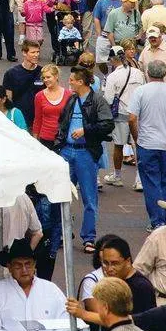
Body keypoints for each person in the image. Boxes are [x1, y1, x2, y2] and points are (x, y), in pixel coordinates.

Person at [54, 66, 115, 252]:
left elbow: (107, 124)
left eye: (72, 79)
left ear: (81, 82)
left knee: (89, 197)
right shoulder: (72, 99)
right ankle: (61, 234)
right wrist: (60, 143)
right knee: (61, 195)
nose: (69, 81)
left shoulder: (97, 100)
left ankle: (89, 238)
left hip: (85, 153)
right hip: (67, 150)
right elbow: (63, 122)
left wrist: (85, 130)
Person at [0, 238, 68, 331]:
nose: (24, 270)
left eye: (28, 264)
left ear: (34, 264)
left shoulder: (51, 289)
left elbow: (66, 321)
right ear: (9, 267)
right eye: (18, 266)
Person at [129, 62, 166, 230]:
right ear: (165, 73)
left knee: (151, 183)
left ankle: (157, 221)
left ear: (148, 73)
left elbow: (131, 118)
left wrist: (137, 137)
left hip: (147, 142)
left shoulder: (141, 91)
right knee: (165, 180)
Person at [103, 44, 145, 188]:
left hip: (121, 114)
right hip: (138, 114)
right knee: (138, 146)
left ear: (113, 60)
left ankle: (117, 176)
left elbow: (108, 99)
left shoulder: (113, 76)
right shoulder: (138, 73)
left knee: (118, 146)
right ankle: (139, 180)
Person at [3, 40, 45, 131]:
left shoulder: (44, 72)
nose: (36, 55)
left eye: (38, 52)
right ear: (24, 53)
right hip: (20, 121)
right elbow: (8, 99)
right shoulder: (11, 73)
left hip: (39, 122)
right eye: (33, 52)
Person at [32, 64, 72, 147]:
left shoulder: (69, 95)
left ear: (56, 76)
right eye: (43, 78)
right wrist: (34, 140)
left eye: (48, 77)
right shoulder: (39, 96)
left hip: (63, 138)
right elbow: (37, 119)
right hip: (45, 138)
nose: (45, 80)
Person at [94, 0, 123, 70]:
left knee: (119, 60)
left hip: (118, 35)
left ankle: (115, 75)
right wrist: (99, 34)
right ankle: (106, 76)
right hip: (104, 34)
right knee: (100, 60)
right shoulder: (101, 2)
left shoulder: (122, 2)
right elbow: (96, 18)